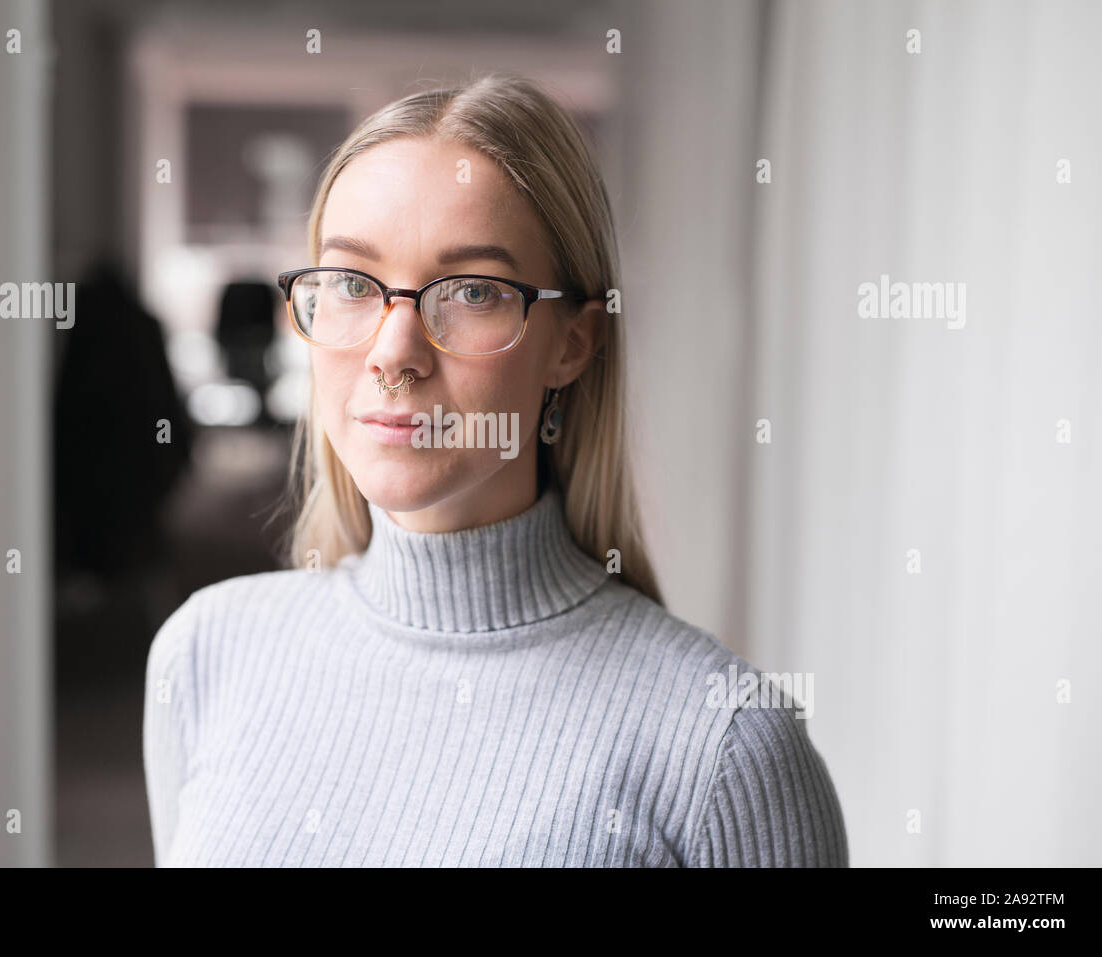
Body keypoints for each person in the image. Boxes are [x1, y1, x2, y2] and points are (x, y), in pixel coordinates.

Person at [142, 72, 847, 867]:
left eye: (472, 290)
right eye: (350, 283)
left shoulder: (726, 746)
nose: (393, 352)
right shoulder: (205, 652)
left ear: (573, 344)